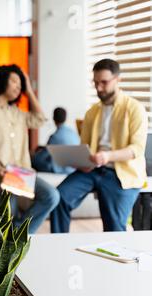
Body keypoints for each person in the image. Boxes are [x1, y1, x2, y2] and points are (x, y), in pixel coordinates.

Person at [50, 59, 147, 233]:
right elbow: (85, 146)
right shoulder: (92, 112)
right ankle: (60, 245)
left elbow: (137, 149)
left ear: (118, 79)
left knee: (114, 226)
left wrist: (107, 156)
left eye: (104, 82)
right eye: (95, 82)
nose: (99, 88)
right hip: (93, 170)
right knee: (59, 198)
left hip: (122, 173)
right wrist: (80, 160)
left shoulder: (135, 109)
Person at [0, 64, 60, 234]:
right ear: (1, 81)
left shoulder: (16, 112)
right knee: (2, 221)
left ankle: (17, 235)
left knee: (51, 196)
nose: (19, 87)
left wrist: (29, 90)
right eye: (15, 82)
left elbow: (39, 119)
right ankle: (9, 243)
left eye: (21, 84)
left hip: (21, 174)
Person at [32, 107, 80, 174]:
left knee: (35, 161)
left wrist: (33, 156)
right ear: (65, 118)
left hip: (60, 170)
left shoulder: (55, 137)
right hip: (73, 169)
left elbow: (42, 157)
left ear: (53, 118)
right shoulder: (73, 133)